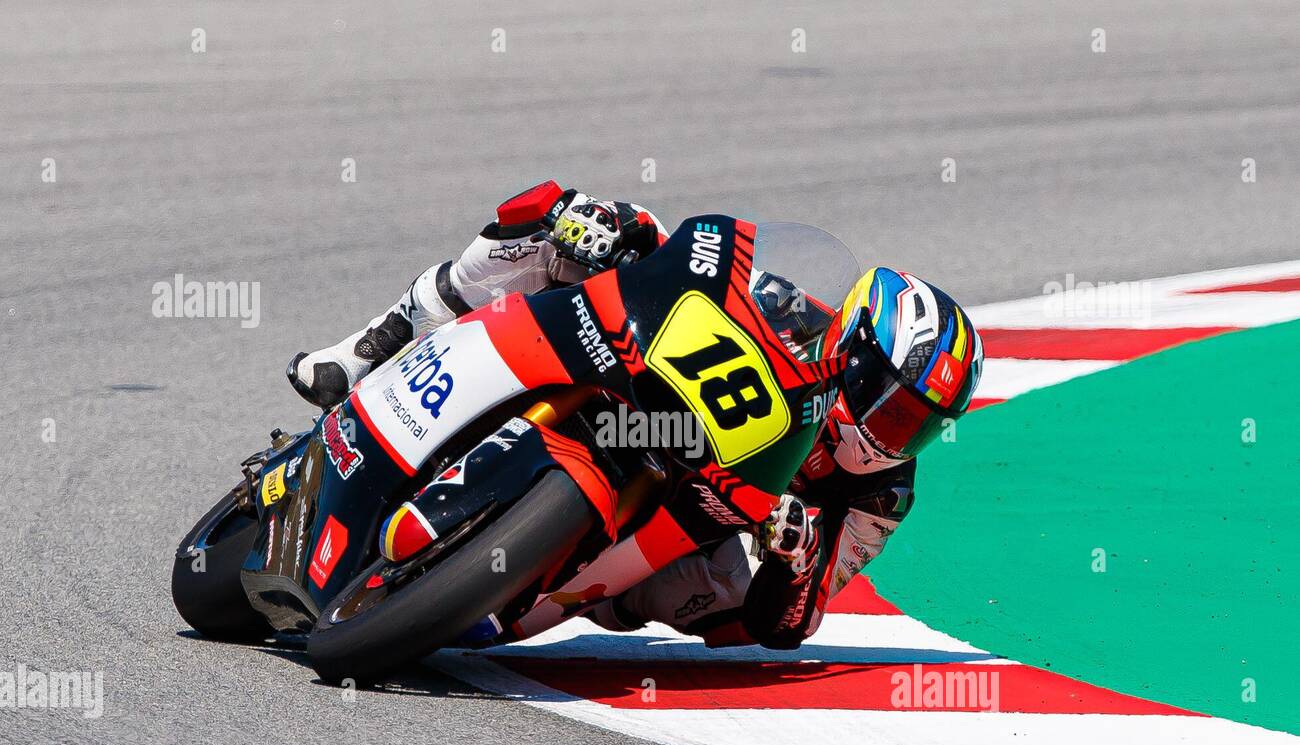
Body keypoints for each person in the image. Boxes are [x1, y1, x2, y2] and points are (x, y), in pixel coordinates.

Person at [288, 181, 983, 650]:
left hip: (693, 520)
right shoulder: (802, 313)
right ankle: (373, 343)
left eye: (920, 424)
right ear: (853, 350)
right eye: (895, 409)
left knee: (727, 597)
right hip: (655, 395)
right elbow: (693, 271)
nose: (898, 437)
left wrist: (797, 554)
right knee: (567, 217)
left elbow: (791, 623)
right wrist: (627, 238)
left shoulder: (878, 496)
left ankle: (542, 579)